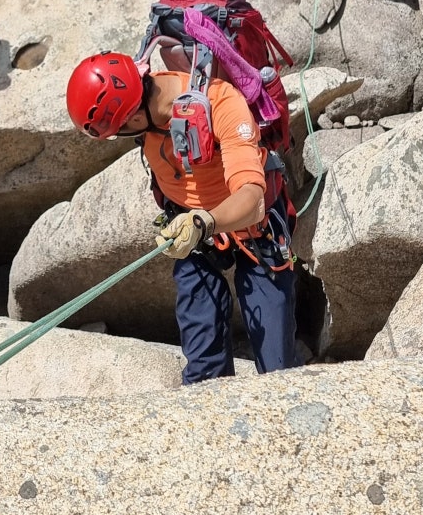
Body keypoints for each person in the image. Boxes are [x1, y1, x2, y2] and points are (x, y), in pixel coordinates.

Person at [66, 50, 297, 383]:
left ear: (132, 118)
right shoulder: (144, 104)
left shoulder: (222, 104)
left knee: (278, 371)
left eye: (119, 131)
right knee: (203, 370)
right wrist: (194, 223)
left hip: (252, 230)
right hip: (193, 230)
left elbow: (252, 199)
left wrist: (204, 222)